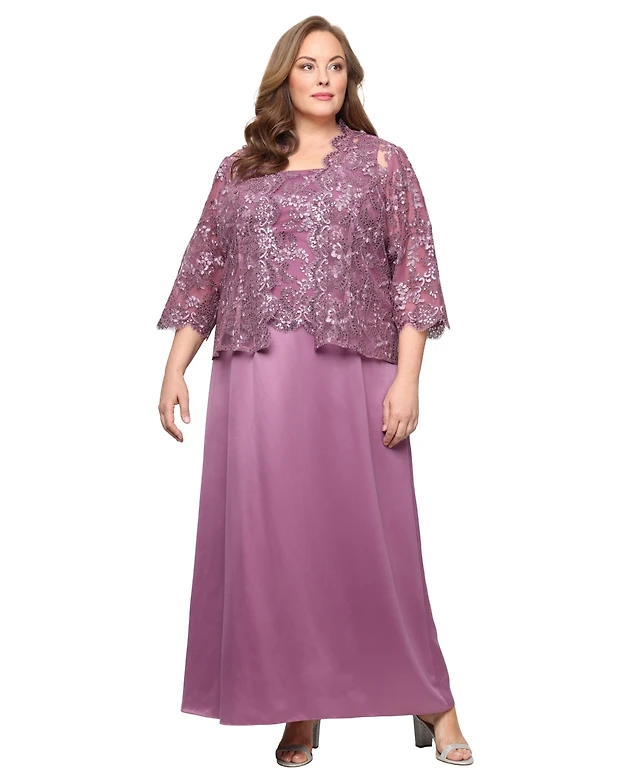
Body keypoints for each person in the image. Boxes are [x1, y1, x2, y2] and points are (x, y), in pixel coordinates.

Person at [156, 14, 473, 769]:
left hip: (355, 376)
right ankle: (298, 705)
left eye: (335, 65)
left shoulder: (384, 164)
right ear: (284, 77)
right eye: (308, 65)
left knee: (375, 546)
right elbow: (205, 270)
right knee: (279, 550)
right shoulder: (239, 171)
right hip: (257, 381)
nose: (324, 77)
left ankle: (435, 700)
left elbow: (415, 272)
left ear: (349, 77)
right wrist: (174, 367)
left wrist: (409, 380)